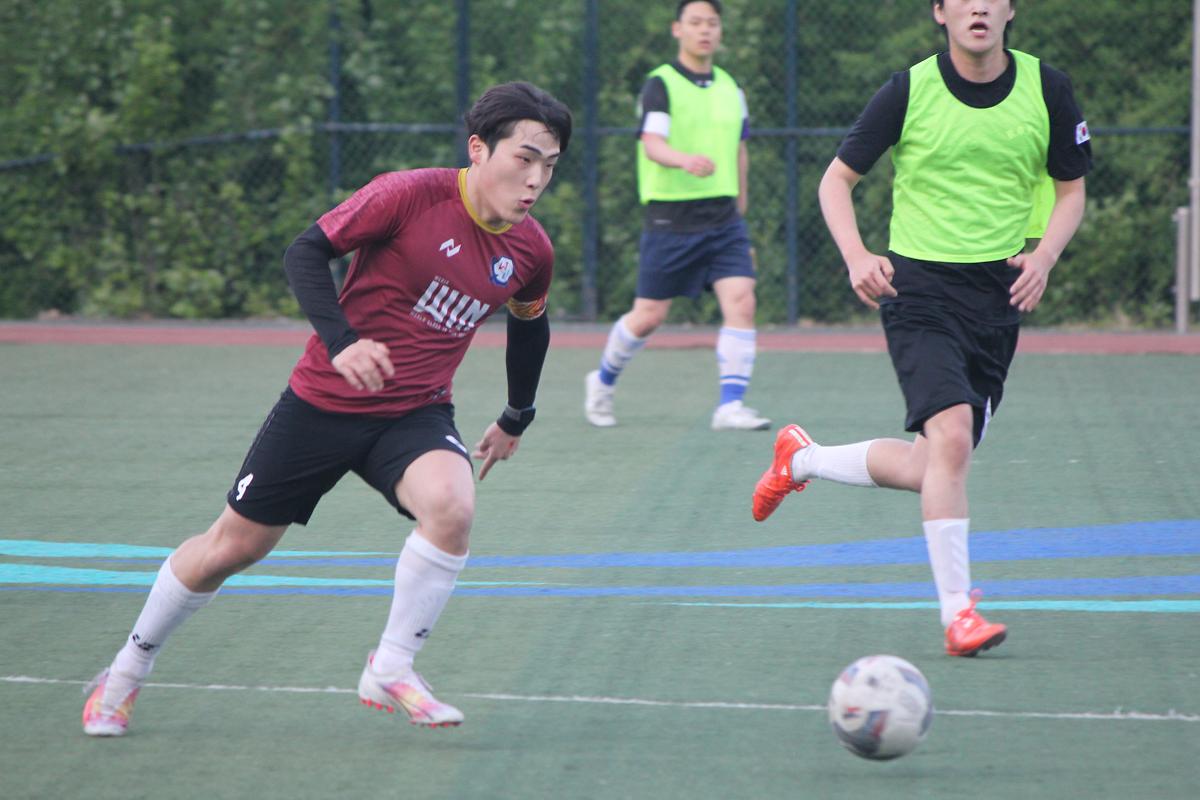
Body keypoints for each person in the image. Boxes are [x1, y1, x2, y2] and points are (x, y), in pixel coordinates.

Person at [82, 81, 572, 735]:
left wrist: (516, 415)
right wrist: (342, 344)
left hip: (415, 411)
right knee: (231, 549)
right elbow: (306, 251)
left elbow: (530, 326)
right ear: (479, 148)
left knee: (452, 507)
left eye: (550, 165)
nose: (536, 179)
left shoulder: (532, 250)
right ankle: (124, 673)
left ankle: (392, 666)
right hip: (323, 403)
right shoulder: (408, 195)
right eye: (525, 158)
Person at [752, 0, 1091, 657]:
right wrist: (857, 256)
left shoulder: (1048, 87)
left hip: (998, 296)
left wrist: (1045, 256)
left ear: (1010, 9)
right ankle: (958, 614)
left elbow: (1070, 190)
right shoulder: (909, 89)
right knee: (953, 437)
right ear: (940, 12)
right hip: (919, 291)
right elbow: (835, 181)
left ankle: (802, 458)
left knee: (933, 462)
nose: (978, 7)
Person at [584, 0, 769, 431]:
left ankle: (730, 406)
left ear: (720, 31)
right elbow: (652, 144)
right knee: (649, 315)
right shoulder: (660, 84)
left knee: (742, 301)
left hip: (724, 219)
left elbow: (740, 151)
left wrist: (740, 211)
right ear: (677, 29)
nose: (705, 30)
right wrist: (684, 160)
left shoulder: (731, 88)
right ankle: (603, 381)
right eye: (695, 22)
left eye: (712, 23)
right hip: (671, 218)